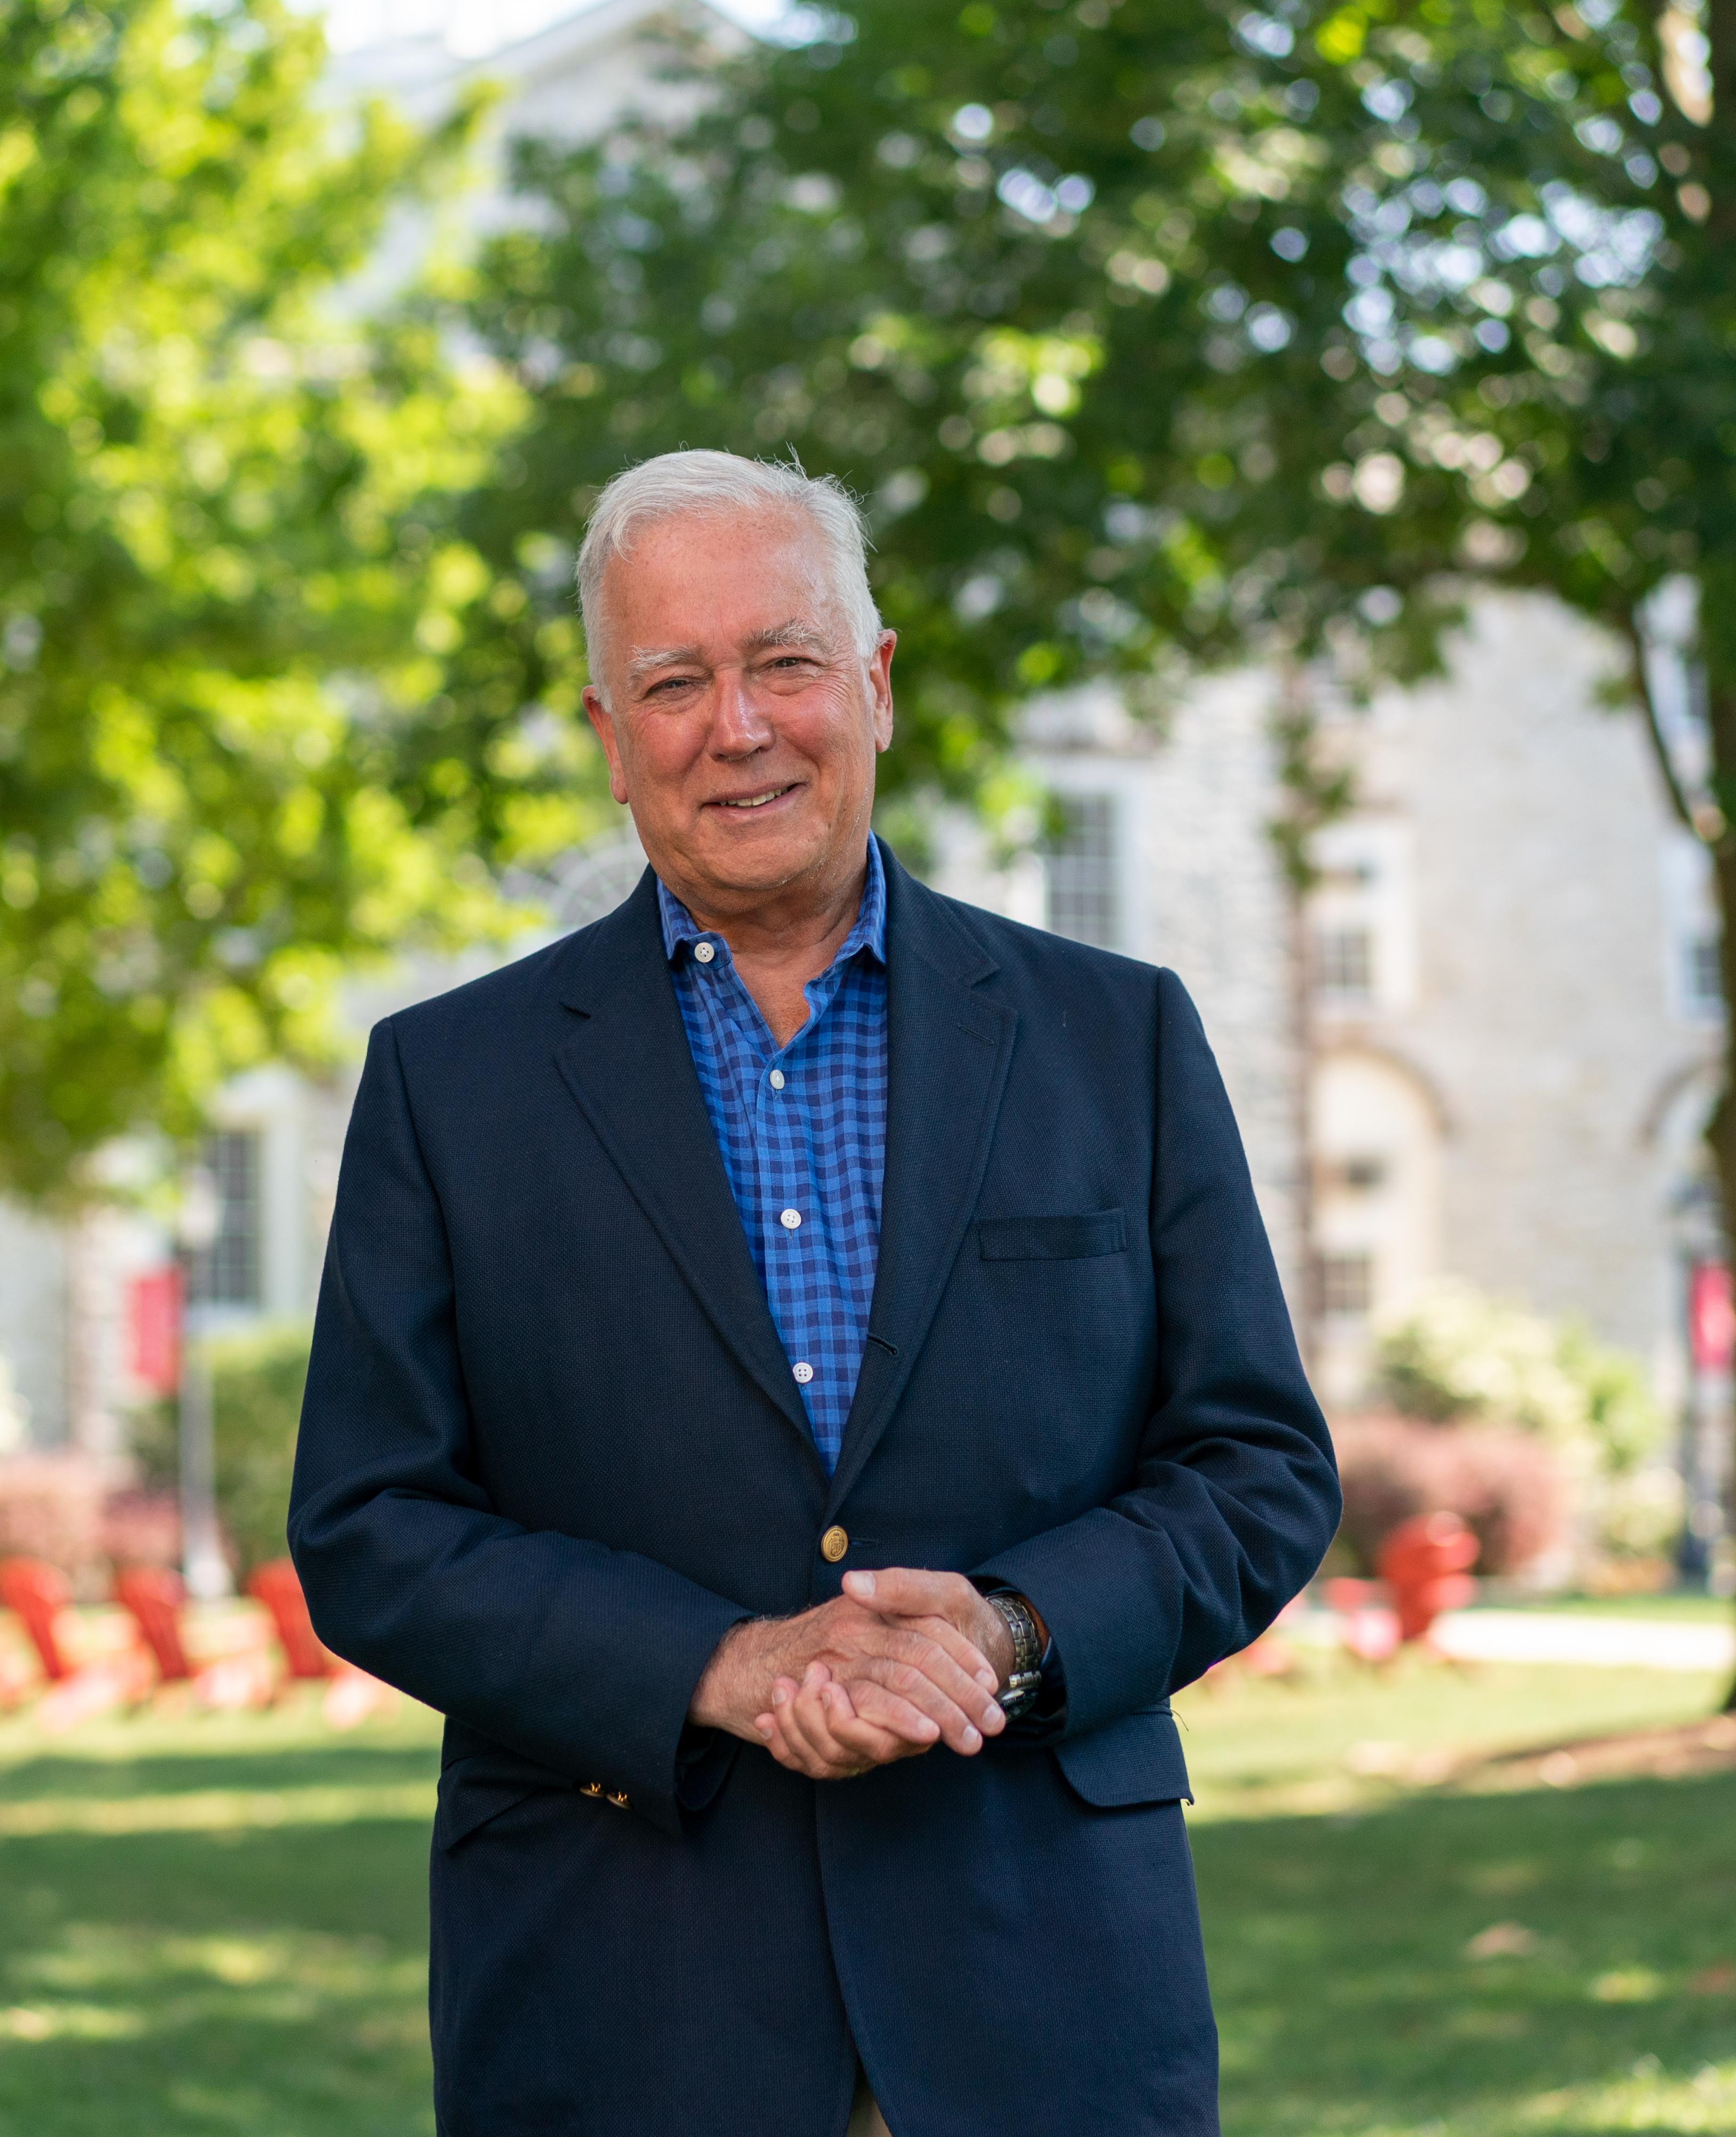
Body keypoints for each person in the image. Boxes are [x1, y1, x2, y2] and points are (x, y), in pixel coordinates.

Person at [288, 449, 1338, 2135]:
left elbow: (1259, 1469)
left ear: (876, 681)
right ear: (608, 741)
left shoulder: (1115, 1038)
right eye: (674, 683)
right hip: (623, 1997)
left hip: (1044, 1986)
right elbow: (370, 1526)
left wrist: (1010, 1634)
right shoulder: (448, 1085)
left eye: (783, 660)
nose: (740, 724)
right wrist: (717, 1667)